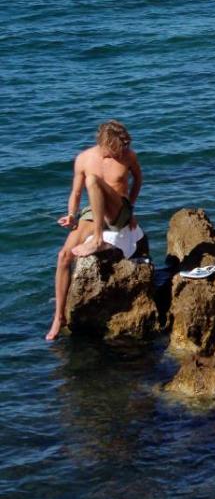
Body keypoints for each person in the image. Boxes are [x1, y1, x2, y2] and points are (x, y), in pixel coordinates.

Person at [48, 120, 143, 342]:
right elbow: (76, 193)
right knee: (63, 256)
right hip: (93, 211)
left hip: (118, 209)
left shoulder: (128, 156)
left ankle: (98, 239)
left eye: (124, 146)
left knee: (93, 180)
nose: (122, 150)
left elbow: (138, 179)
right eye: (117, 146)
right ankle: (59, 316)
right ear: (104, 143)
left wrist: (131, 209)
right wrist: (71, 215)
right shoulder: (84, 159)